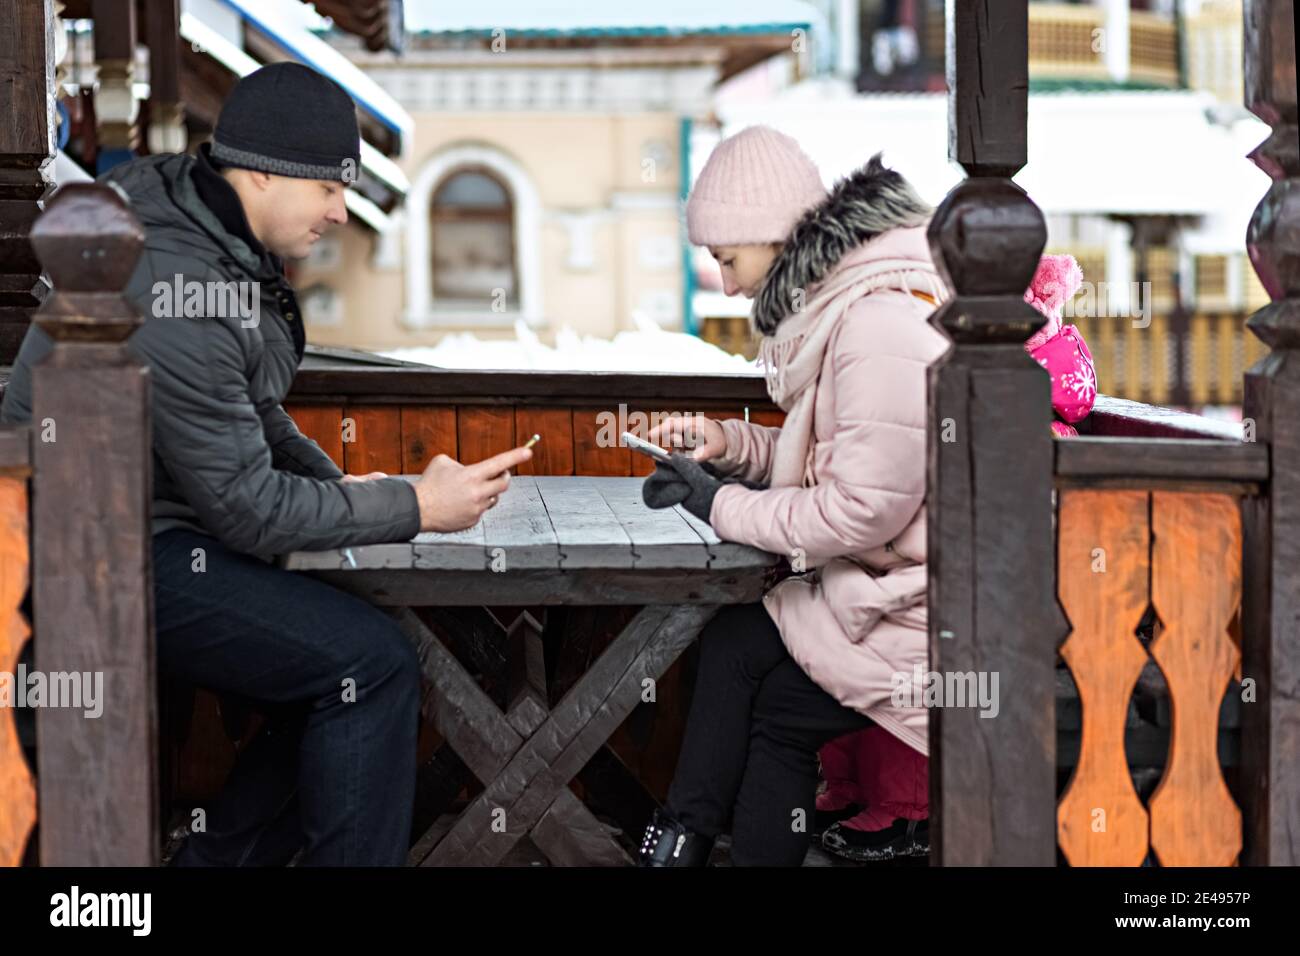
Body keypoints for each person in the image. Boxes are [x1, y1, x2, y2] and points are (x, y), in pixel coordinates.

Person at [1, 63, 532, 865]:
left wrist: (336, 484)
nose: (339, 210)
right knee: (370, 664)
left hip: (133, 536)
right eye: (326, 187)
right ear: (260, 172)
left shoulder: (200, 241)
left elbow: (248, 407)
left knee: (345, 660)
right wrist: (417, 505)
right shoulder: (172, 275)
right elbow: (248, 508)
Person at [638, 126, 948, 866]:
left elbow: (857, 508)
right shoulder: (853, 311)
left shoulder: (873, 324)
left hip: (935, 617)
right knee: (736, 646)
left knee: (769, 702)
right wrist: (729, 446)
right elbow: (847, 462)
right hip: (893, 593)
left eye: (728, 258)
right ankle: (681, 838)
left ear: (773, 239)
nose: (730, 283)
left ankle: (679, 842)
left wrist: (715, 504)